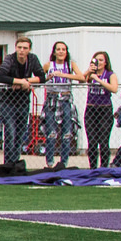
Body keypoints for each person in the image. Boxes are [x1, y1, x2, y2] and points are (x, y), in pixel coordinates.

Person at [0, 36, 42, 168]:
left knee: (20, 134)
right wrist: (19, 81)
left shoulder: (32, 59)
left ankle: (15, 163)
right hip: (7, 102)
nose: (21, 51)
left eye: (25, 48)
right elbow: (1, 76)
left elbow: (42, 77)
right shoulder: (10, 59)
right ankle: (8, 165)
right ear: (16, 48)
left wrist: (26, 81)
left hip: (23, 102)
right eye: (19, 47)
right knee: (10, 133)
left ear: (29, 49)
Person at [39, 41, 78, 170]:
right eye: (58, 49)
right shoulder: (48, 65)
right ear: (54, 52)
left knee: (67, 132)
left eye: (63, 49)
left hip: (65, 99)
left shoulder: (70, 65)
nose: (61, 51)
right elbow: (39, 78)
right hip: (52, 99)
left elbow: (81, 77)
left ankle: (64, 162)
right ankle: (50, 162)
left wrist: (64, 75)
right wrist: (47, 77)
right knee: (51, 132)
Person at [80, 50, 119, 168]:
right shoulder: (90, 74)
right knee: (92, 141)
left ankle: (103, 167)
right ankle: (92, 167)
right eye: (96, 60)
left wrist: (98, 80)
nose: (99, 62)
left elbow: (114, 88)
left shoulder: (110, 75)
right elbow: (80, 79)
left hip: (104, 109)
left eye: (101, 60)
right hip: (91, 109)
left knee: (103, 141)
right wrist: (89, 71)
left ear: (106, 62)